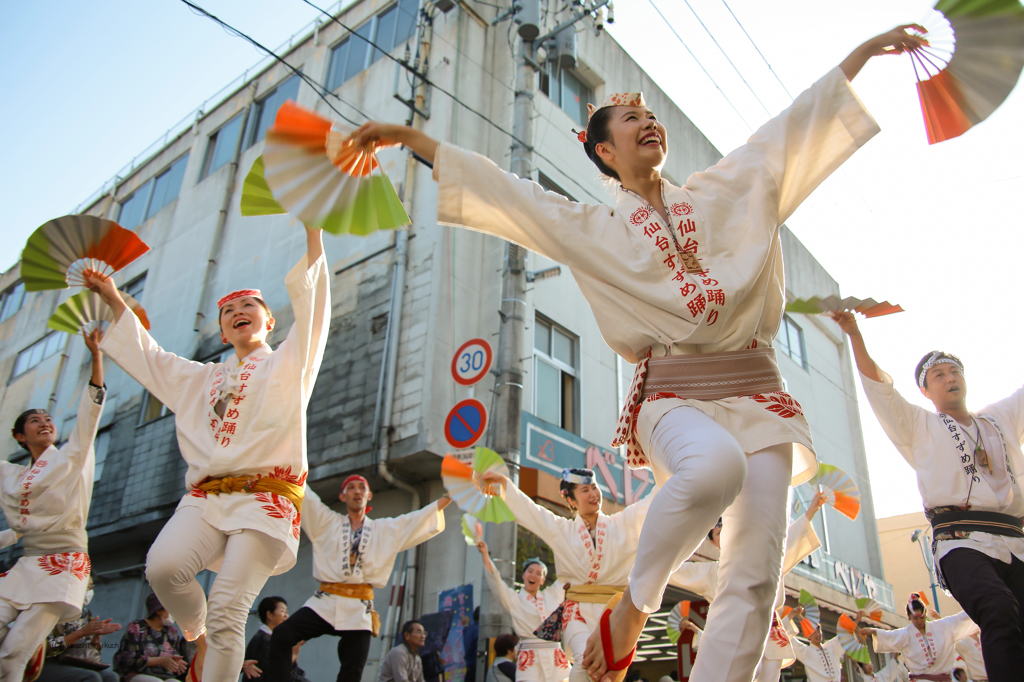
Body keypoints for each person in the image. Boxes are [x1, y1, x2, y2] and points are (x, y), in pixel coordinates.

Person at [350, 23, 927, 682]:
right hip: (675, 394)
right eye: (631, 117)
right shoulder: (593, 227)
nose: (647, 121)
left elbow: (788, 130)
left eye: (651, 114)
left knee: (754, 575)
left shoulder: (722, 190)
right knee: (714, 471)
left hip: (762, 393)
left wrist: (861, 54)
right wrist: (406, 137)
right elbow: (506, 192)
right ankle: (635, 605)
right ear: (603, 148)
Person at [89, 225, 329, 681]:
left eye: (249, 306)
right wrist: (112, 295)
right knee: (162, 568)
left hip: (265, 499)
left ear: (268, 320)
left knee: (227, 612)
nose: (238, 312)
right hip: (205, 498)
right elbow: (149, 356)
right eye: (228, 310)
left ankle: (212, 643)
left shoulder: (288, 362)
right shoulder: (200, 378)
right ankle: (195, 632)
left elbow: (314, 308)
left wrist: (313, 233)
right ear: (221, 329)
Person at [834, 311, 1024, 681]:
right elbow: (878, 387)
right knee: (998, 609)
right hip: (961, 541)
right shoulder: (920, 425)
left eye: (955, 371)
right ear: (925, 389)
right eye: (939, 375)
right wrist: (855, 334)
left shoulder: (999, 418)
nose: (950, 378)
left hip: (1015, 539)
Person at [267, 476, 450, 682]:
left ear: (369, 496)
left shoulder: (383, 529)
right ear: (342, 496)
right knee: (283, 634)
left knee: (352, 671)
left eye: (362, 488)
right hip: (326, 601)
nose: (357, 491)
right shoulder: (327, 522)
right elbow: (306, 495)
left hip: (359, 608)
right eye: (351, 488)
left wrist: (449, 496)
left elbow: (416, 519)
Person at [477, 468, 653, 682]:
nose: (593, 494)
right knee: (586, 661)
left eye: (594, 488)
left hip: (615, 612)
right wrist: (505, 486)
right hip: (576, 613)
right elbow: (533, 513)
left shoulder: (621, 523)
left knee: (604, 675)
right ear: (571, 500)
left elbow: (649, 507)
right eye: (585, 490)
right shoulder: (562, 530)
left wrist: (675, 476)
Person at [0, 330, 106, 679]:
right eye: (35, 420)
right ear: (20, 436)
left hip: (62, 564)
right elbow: (18, 531)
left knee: (13, 654)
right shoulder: (11, 475)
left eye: (48, 419)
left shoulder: (72, 457)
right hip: (25, 565)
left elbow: (89, 413)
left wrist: (95, 356)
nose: (45, 423)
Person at [670, 492, 826, 682]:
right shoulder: (711, 572)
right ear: (712, 542)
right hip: (736, 634)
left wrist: (810, 511)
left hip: (770, 629)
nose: (725, 534)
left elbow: (788, 542)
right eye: (719, 533)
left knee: (770, 677)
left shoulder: (761, 557)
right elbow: (678, 571)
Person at [477, 541, 570, 682]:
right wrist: (485, 555)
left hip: (555, 655)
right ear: (524, 575)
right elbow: (496, 582)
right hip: (529, 657)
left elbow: (566, 575)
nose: (533, 576)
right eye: (530, 571)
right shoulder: (513, 599)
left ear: (543, 580)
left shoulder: (552, 595)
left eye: (539, 574)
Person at [859, 594, 978, 681]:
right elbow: (890, 635)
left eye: (922, 618)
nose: (919, 621)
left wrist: (979, 606)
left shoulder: (941, 627)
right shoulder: (905, 634)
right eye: (915, 619)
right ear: (909, 617)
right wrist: (873, 631)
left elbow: (959, 620)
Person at [39, 577, 122, 682]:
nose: (89, 591)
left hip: (75, 663)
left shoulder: (84, 614)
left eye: (91, 587)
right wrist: (81, 633)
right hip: (47, 664)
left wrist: (96, 635)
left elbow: (86, 653)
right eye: (87, 586)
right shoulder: (51, 610)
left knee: (111, 677)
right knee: (91, 677)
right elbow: (46, 649)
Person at [113, 592, 190, 681]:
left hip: (164, 675)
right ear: (158, 611)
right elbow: (130, 660)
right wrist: (161, 661)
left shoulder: (172, 632)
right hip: (136, 674)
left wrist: (176, 662)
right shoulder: (137, 627)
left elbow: (174, 656)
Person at [240, 596, 309, 681]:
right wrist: (294, 652)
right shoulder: (264, 640)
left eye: (286, 612)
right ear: (269, 614)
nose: (286, 616)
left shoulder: (268, 638)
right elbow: (280, 673)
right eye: (282, 611)